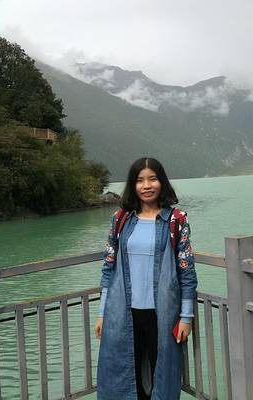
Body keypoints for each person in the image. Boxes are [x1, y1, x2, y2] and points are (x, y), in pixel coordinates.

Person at [94, 157, 197, 400]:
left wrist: (186, 317)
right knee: (126, 378)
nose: (146, 185)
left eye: (152, 179)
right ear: (133, 185)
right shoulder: (121, 219)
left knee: (162, 377)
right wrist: (102, 313)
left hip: (162, 315)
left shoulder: (176, 220)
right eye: (140, 180)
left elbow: (186, 272)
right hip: (123, 313)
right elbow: (109, 267)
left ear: (162, 182)